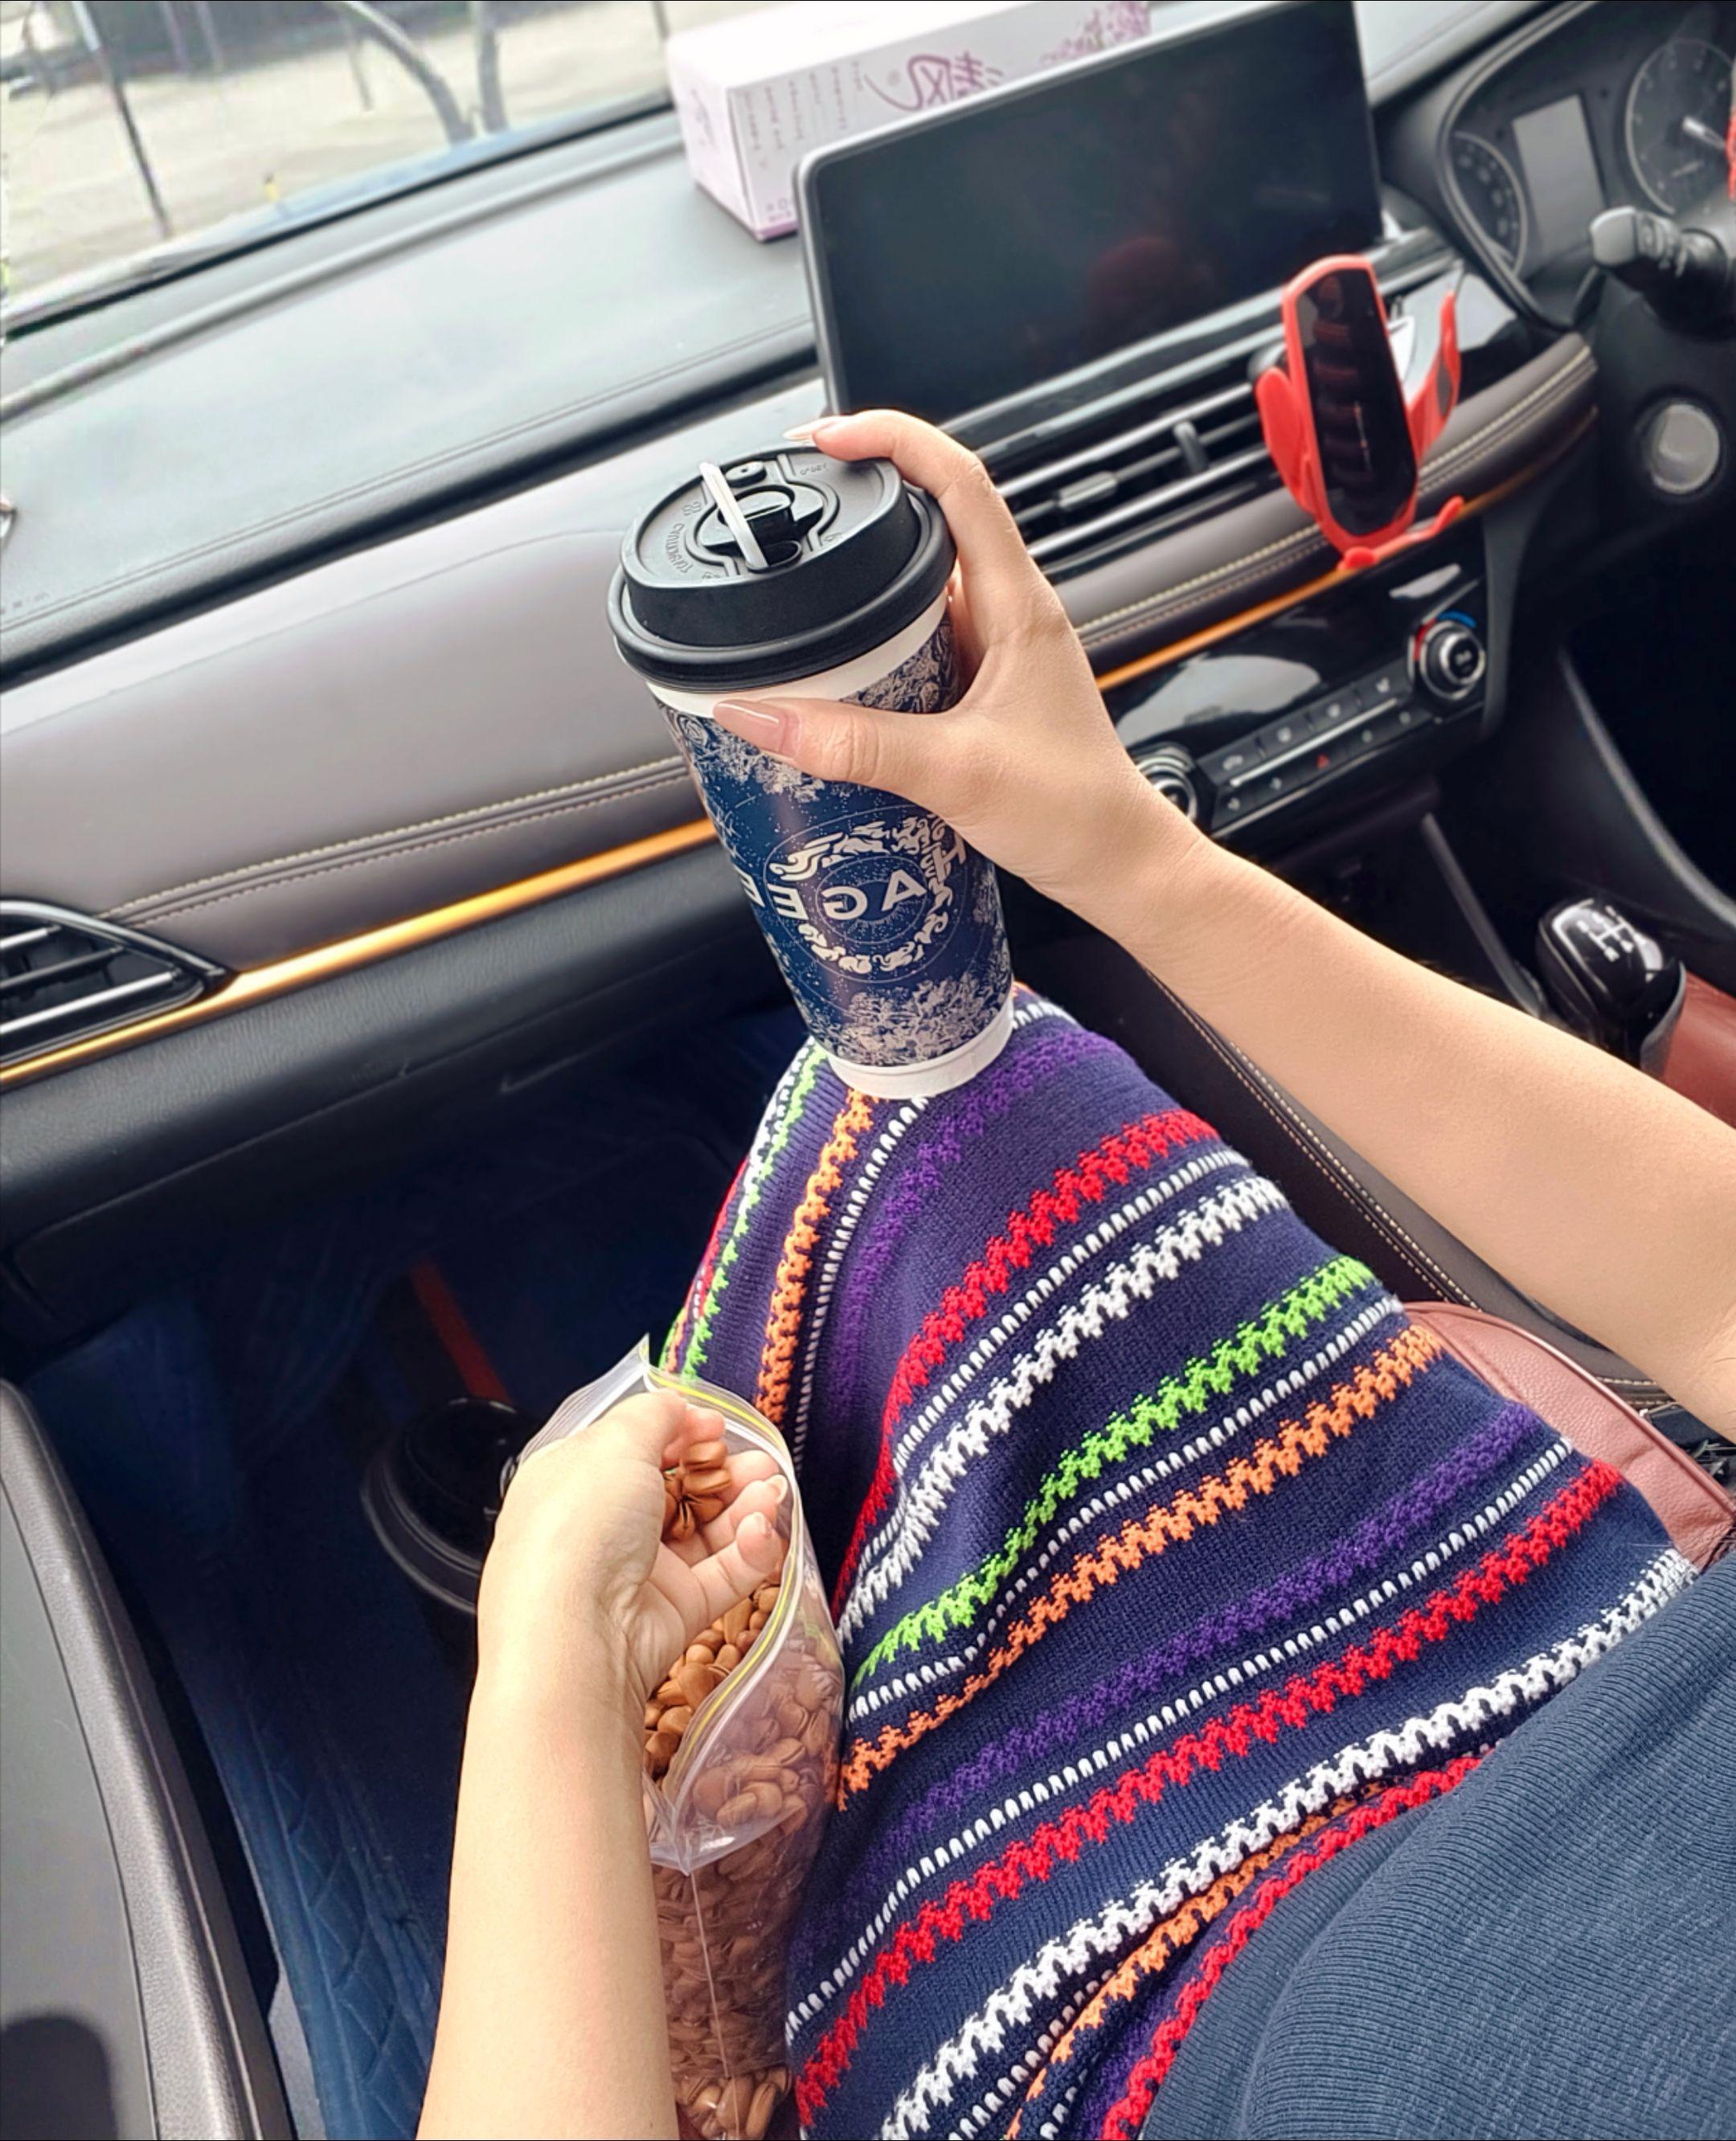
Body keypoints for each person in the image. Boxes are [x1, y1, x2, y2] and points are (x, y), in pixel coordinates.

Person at [418, 414, 1736, 2141]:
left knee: (918, 1137)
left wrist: (542, 1645)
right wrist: (1129, 854)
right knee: (984, 1122)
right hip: (1553, 1703)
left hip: (1112, 2055)